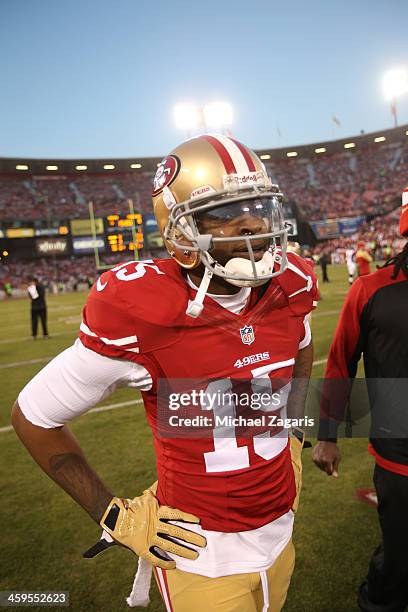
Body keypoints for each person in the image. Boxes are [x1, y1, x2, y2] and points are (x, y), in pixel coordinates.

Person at [12, 134, 318, 612]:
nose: (256, 227)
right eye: (227, 215)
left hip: (281, 530)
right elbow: (33, 415)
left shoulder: (291, 286)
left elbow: (301, 346)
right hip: (199, 554)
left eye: (259, 209)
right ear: (181, 234)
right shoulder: (142, 312)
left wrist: (293, 431)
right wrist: (114, 514)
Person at [312, 188, 408, 612]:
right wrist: (327, 435)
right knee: (400, 558)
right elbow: (339, 365)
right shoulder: (371, 289)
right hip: (399, 455)